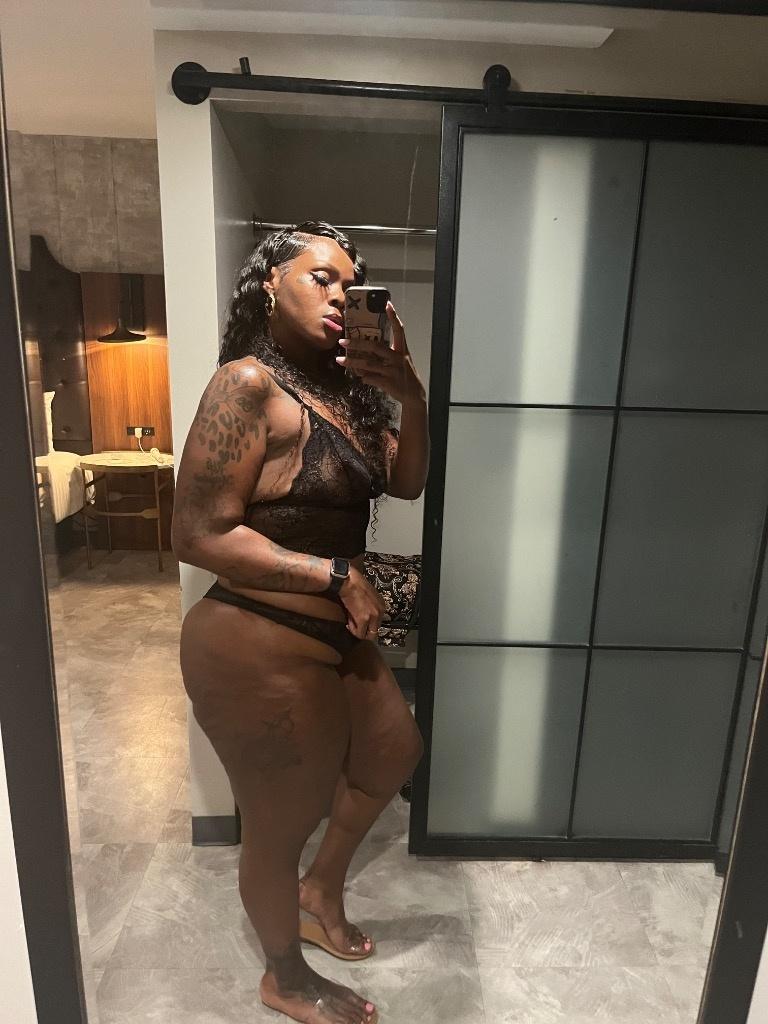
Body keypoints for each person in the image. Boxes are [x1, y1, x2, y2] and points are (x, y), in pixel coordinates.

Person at [173, 221, 429, 1024]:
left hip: (334, 634)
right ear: (269, 284)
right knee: (281, 820)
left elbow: (408, 482)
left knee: (392, 752)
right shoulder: (247, 385)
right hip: (253, 637)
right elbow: (197, 535)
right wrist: (336, 574)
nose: (339, 296)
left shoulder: (345, 393)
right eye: (321, 278)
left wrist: (411, 394)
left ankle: (319, 891)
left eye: (351, 285)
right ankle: (283, 977)